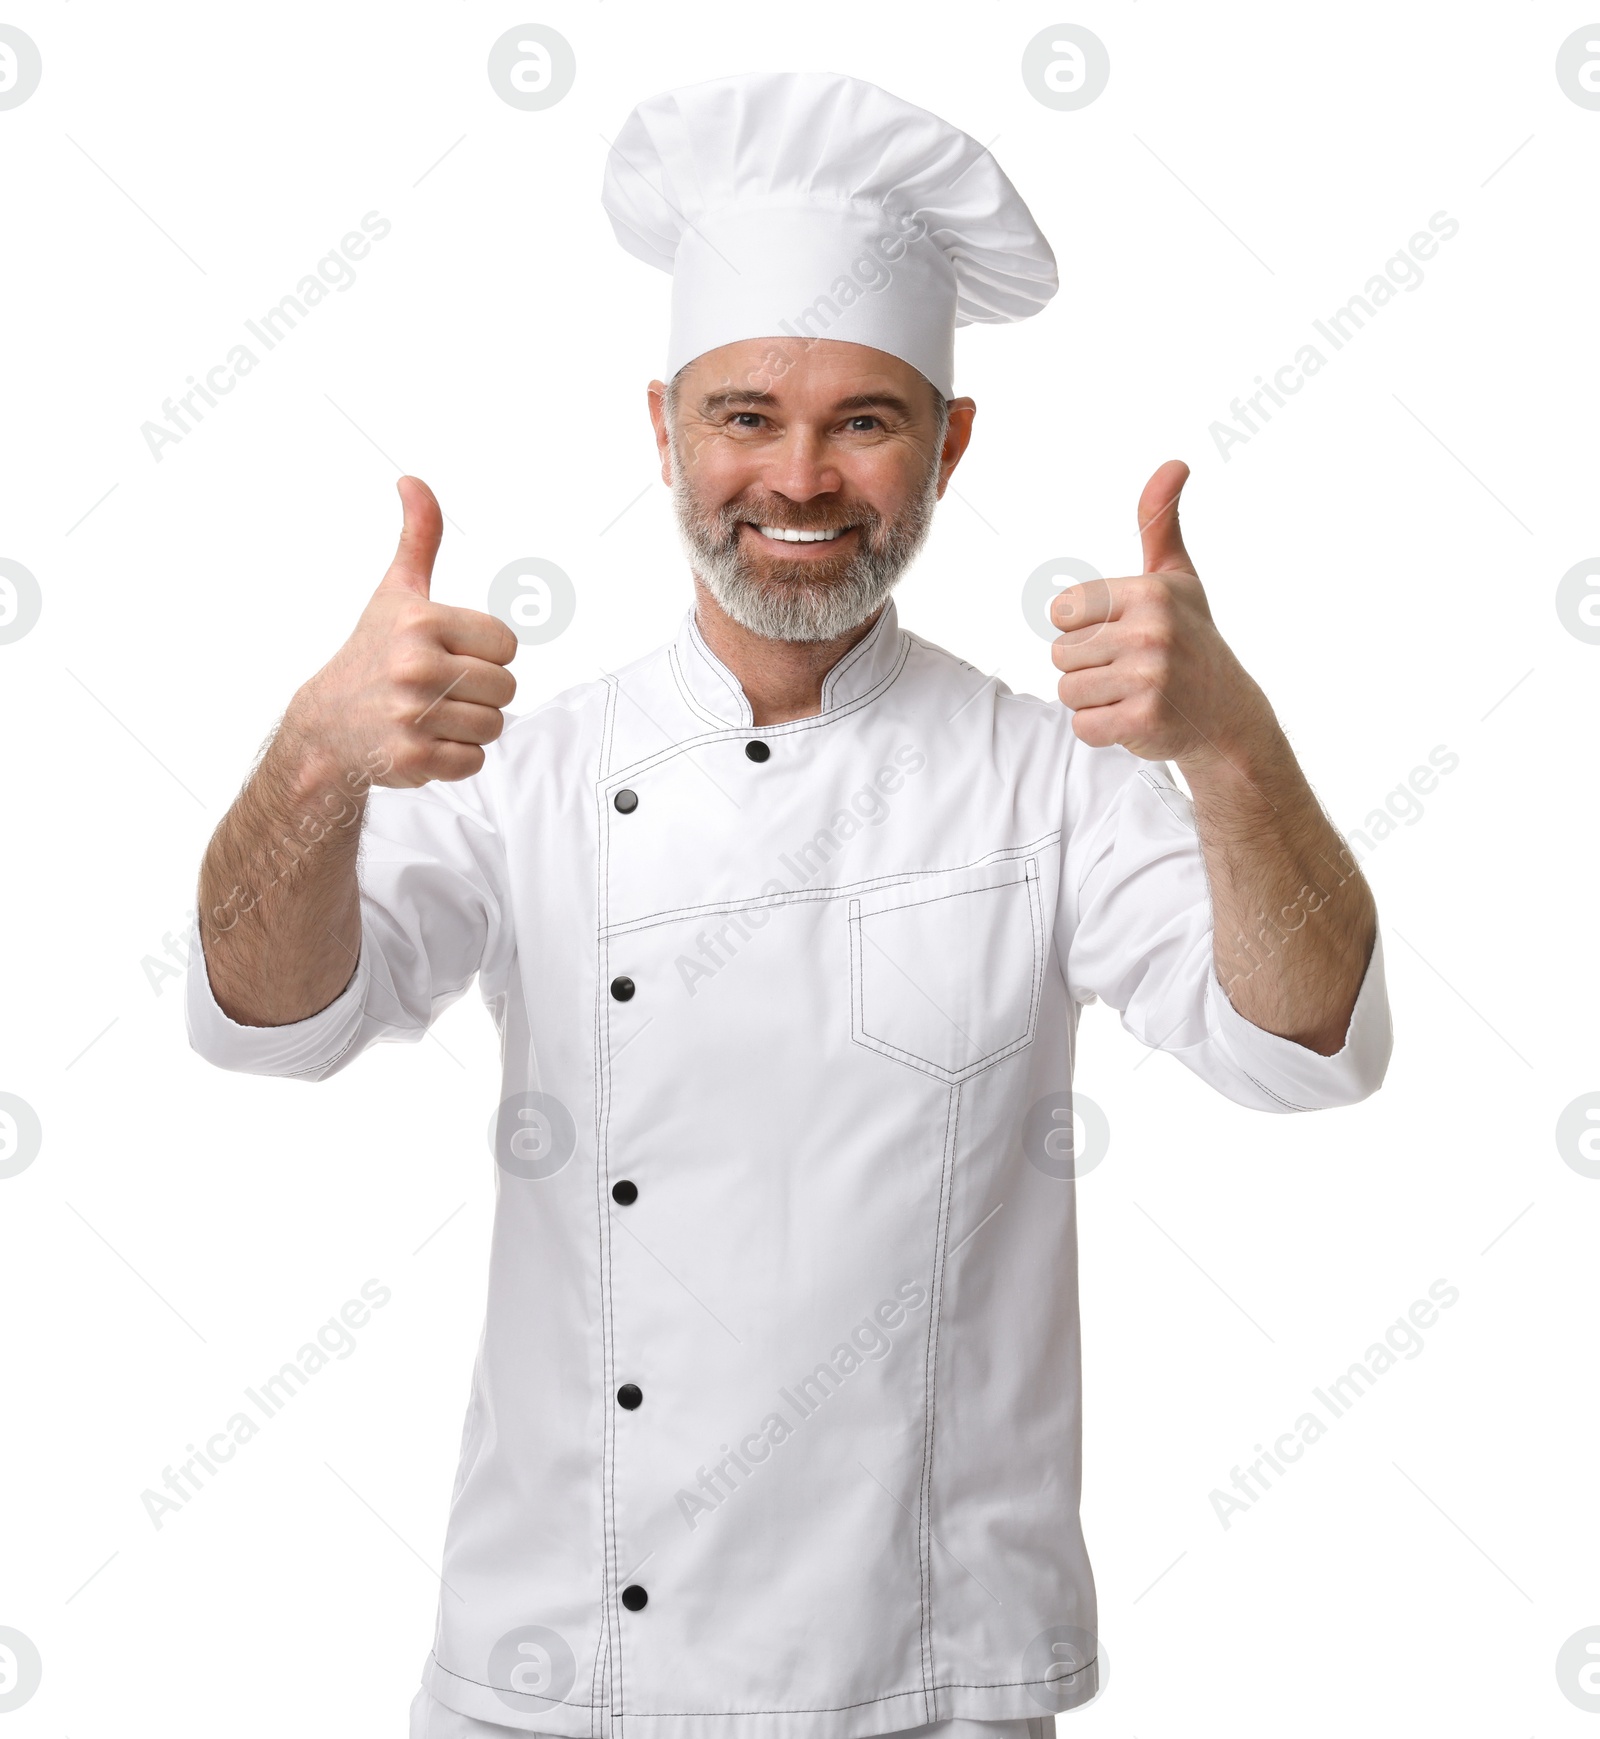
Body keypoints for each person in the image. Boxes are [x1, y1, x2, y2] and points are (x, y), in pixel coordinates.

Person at [187, 71, 1390, 1739]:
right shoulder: (532, 771)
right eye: (748, 415)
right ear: (665, 427)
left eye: (867, 420)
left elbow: (1306, 1046)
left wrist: (1234, 749)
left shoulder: (1044, 777)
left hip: (930, 1678)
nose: (802, 478)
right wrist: (316, 763)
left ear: (952, 445)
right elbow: (271, 1021)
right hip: (556, 1672)